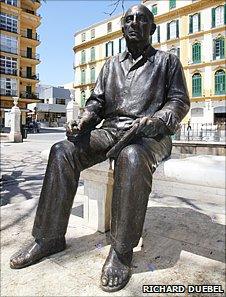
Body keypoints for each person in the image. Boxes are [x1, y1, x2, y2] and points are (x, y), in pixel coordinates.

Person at [10, 4, 190, 292]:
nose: (134, 23)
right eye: (129, 19)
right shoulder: (110, 65)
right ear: (122, 29)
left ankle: (121, 251)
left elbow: (179, 103)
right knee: (62, 151)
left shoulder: (167, 63)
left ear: (152, 28)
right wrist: (83, 120)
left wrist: (155, 121)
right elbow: (96, 102)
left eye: (142, 20)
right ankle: (49, 237)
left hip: (150, 136)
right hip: (111, 131)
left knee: (131, 157)